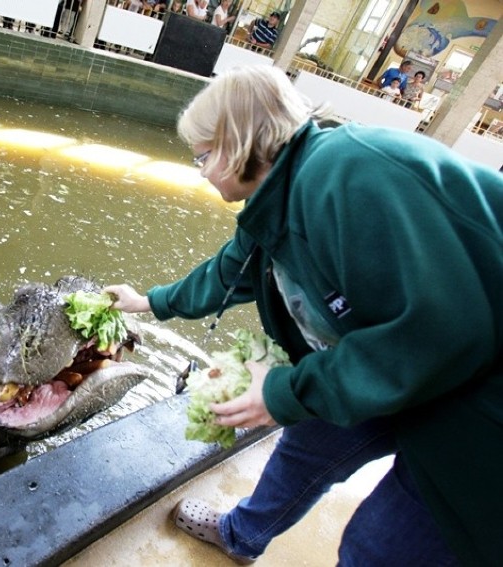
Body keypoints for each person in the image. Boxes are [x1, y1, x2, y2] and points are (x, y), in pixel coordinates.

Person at [103, 66, 503, 566]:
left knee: (379, 548)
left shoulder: (350, 175)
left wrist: (282, 392)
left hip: (477, 404)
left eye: (203, 157)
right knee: (308, 441)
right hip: (391, 363)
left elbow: (443, 330)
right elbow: (232, 271)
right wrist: (148, 302)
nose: (201, 171)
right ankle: (242, 535)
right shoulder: (281, 194)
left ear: (239, 142)